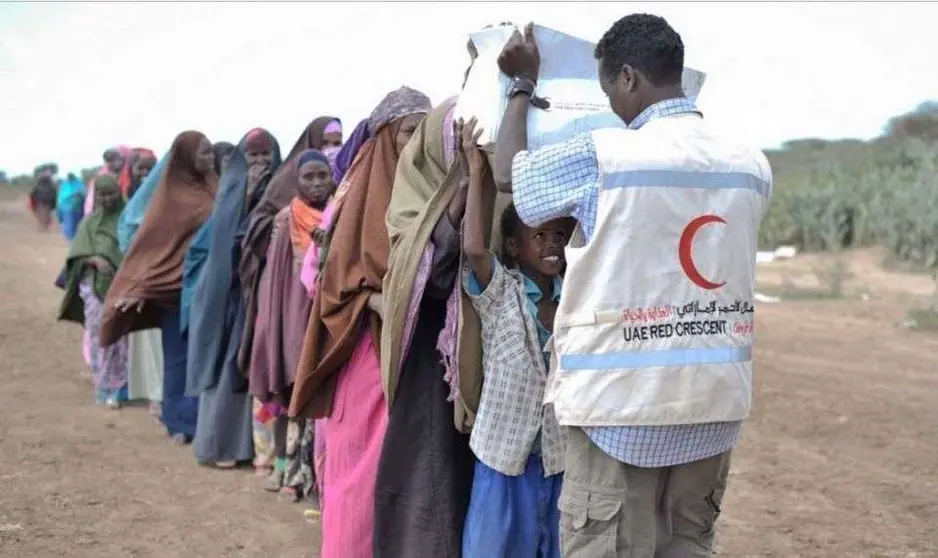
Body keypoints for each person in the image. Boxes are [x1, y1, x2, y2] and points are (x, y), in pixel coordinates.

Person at [493, 17, 772, 556]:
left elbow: (511, 176)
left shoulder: (606, 156)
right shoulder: (751, 165)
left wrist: (520, 86)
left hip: (618, 410)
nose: (612, 109)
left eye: (608, 92)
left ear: (626, 78)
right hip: (712, 406)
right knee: (687, 543)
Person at [288, 87, 430, 558]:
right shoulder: (357, 196)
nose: (417, 143)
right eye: (410, 131)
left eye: (424, 132)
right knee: (361, 478)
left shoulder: (433, 189)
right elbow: (327, 283)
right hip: (368, 358)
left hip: (417, 358)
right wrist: (375, 301)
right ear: (388, 135)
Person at [375, 96, 489, 558]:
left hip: (493, 359)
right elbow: (426, 273)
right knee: (435, 483)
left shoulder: (498, 186)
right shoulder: (411, 197)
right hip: (432, 365)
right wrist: (461, 187)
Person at [457, 117, 569, 558]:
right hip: (503, 454)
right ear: (513, 247)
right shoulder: (501, 291)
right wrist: (478, 171)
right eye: (538, 236)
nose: (551, 245)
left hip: (557, 456)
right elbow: (472, 249)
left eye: (559, 235)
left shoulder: (573, 301)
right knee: (494, 547)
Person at [100, 131, 218, 446]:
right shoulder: (169, 197)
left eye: (211, 152)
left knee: (203, 355)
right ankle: (180, 421)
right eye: (204, 153)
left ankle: (201, 421)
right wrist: (140, 284)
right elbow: (151, 244)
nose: (210, 158)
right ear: (186, 156)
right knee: (178, 357)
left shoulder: (215, 185)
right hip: (174, 292)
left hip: (208, 287)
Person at [184, 128, 281, 468]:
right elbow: (226, 242)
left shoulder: (283, 187)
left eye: (265, 154)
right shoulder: (230, 190)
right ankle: (220, 444)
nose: (259, 162)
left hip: (264, 290)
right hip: (232, 293)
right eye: (252, 155)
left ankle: (253, 447)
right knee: (228, 362)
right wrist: (249, 193)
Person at [248, 149, 335, 502]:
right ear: (295, 182)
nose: (316, 184)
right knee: (288, 394)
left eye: (322, 176)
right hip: (293, 317)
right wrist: (280, 328)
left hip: (326, 319)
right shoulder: (286, 222)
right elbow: (278, 282)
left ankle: (309, 474)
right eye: (308, 177)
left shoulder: (340, 214)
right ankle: (285, 468)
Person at [237, 115, 341, 380]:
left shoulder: (342, 199)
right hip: (290, 288)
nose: (317, 183)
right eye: (326, 142)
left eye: (337, 142)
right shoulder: (284, 199)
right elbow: (253, 229)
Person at [58, 175, 128, 409]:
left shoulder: (128, 221)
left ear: (119, 193)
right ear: (95, 197)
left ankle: (119, 388)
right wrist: (94, 259)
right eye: (102, 194)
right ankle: (103, 385)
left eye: (111, 193)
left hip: (124, 289)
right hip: (94, 288)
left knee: (121, 340)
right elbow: (75, 256)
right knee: (100, 338)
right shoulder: (88, 224)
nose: (107, 199)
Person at [119, 154, 168, 418]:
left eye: (152, 169)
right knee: (146, 342)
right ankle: (153, 395)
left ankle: (161, 395)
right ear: (132, 170)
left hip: (164, 280)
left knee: (160, 343)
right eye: (141, 169)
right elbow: (126, 241)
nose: (146, 174)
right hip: (139, 278)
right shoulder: (132, 203)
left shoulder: (169, 199)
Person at [57, 172, 86, 240]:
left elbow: (83, 194)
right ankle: (71, 240)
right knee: (70, 226)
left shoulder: (78, 183)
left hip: (77, 207)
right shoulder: (65, 184)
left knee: (75, 225)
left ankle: (74, 239)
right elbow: (61, 197)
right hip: (67, 207)